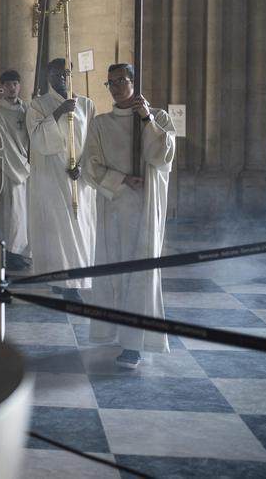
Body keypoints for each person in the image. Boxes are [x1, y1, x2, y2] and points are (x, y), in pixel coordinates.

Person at [84, 63, 175, 369]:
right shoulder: (100, 123)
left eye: (121, 81)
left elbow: (162, 155)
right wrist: (121, 179)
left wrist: (146, 118)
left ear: (134, 82)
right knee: (115, 271)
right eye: (110, 82)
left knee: (141, 274)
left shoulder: (158, 117)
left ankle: (135, 343)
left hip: (146, 208)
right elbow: (90, 166)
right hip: (116, 207)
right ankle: (114, 333)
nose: (115, 87)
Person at [27, 58, 96, 301]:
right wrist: (58, 112)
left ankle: (74, 278)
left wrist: (84, 166)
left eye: (66, 74)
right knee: (56, 231)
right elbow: (37, 139)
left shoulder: (87, 105)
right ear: (49, 76)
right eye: (57, 75)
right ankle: (64, 283)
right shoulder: (38, 105)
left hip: (79, 180)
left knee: (78, 228)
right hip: (50, 179)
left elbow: (93, 142)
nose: (62, 79)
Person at [0, 70, 31, 271]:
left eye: (15, 83)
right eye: (7, 84)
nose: (12, 87)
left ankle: (20, 252)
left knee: (23, 215)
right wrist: (23, 168)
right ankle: (10, 253)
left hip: (26, 169)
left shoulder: (27, 109)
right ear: (2, 87)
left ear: (19, 85)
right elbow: (1, 146)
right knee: (12, 213)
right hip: (10, 170)